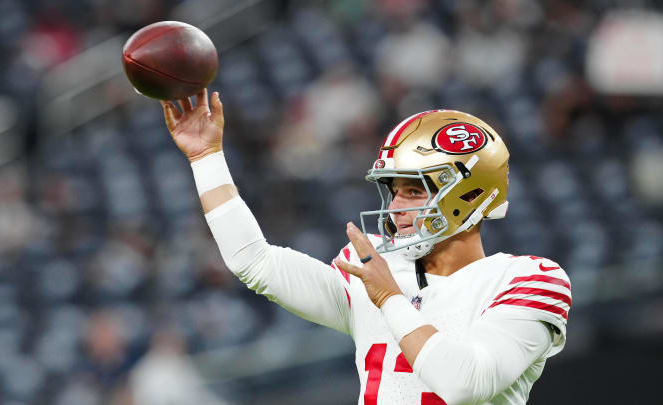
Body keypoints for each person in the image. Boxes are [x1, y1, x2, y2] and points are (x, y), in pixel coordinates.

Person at [160, 90, 572, 405]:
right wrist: (206, 157)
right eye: (393, 191)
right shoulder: (375, 266)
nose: (394, 208)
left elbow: (464, 382)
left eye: (414, 191)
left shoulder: (528, 280)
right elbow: (254, 262)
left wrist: (390, 297)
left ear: (469, 195)